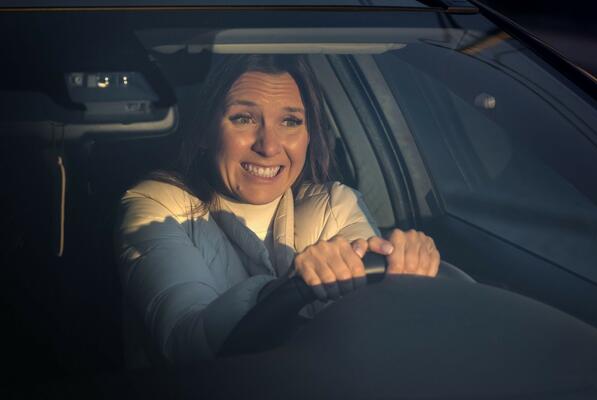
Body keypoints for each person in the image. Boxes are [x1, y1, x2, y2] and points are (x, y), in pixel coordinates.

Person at [115, 54, 440, 366]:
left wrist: (405, 273)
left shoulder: (337, 205)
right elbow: (184, 342)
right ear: (204, 132)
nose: (269, 146)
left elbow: (375, 330)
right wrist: (280, 291)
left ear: (309, 135)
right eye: (243, 118)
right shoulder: (157, 207)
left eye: (290, 121)